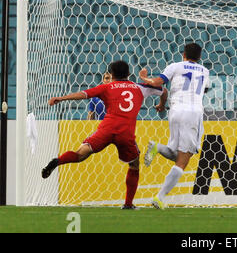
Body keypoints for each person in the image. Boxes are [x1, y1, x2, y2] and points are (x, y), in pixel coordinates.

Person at [42, 60, 168, 210]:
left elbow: (84, 94)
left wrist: (61, 98)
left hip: (106, 128)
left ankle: (58, 161)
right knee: (134, 165)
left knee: (81, 154)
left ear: (112, 75)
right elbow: (164, 91)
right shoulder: (140, 88)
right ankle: (128, 204)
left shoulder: (106, 86)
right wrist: (161, 104)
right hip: (125, 132)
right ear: (128, 74)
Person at [138, 43, 210, 209]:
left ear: (183, 54)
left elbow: (157, 82)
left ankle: (157, 147)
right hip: (193, 113)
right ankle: (160, 197)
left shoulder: (174, 66)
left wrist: (144, 78)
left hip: (175, 112)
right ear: (199, 57)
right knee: (183, 160)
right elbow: (204, 90)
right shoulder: (205, 71)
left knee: (176, 154)